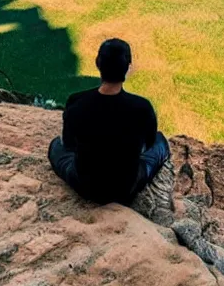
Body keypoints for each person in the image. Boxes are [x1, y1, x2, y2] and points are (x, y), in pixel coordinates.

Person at [48, 38, 170, 205]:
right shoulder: (142, 107)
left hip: (85, 186)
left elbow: (69, 144)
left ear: (97, 63)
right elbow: (149, 143)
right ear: (128, 67)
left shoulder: (76, 102)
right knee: (161, 142)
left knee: (55, 146)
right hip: (126, 188)